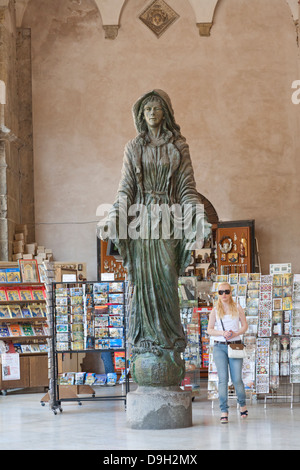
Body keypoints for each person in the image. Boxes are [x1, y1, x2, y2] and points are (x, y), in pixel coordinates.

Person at [100, 90, 211, 379]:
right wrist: (113, 216)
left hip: (168, 219)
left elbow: (187, 187)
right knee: (142, 282)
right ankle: (146, 343)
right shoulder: (133, 147)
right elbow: (125, 188)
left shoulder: (178, 147)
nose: (151, 113)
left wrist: (198, 216)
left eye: (157, 108)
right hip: (142, 221)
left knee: (165, 278)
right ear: (141, 114)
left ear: (165, 113)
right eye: (147, 108)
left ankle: (169, 343)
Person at [207, 282, 248, 423]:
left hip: (235, 346)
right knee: (223, 379)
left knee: (237, 379)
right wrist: (222, 333)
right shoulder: (215, 310)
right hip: (219, 347)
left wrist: (235, 333)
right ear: (217, 294)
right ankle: (224, 410)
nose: (224, 295)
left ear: (231, 292)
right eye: (221, 292)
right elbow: (209, 329)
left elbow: (245, 326)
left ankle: (242, 404)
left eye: (226, 291)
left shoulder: (237, 307)